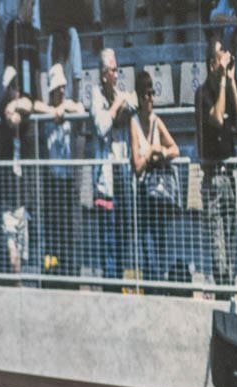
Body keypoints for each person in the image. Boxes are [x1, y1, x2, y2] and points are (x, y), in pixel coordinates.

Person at [195, 31, 237, 290]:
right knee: (218, 242)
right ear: (212, 63)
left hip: (229, 175)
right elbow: (216, 119)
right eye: (221, 57)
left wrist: (232, 83)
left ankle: (230, 289)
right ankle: (222, 290)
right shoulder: (203, 93)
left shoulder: (227, 90)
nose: (225, 61)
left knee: (232, 237)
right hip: (212, 176)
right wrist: (224, 86)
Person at [87, 47, 137, 285]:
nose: (117, 75)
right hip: (106, 177)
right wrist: (117, 105)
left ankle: (120, 282)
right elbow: (102, 125)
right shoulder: (97, 95)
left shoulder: (118, 92)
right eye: (113, 70)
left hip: (123, 173)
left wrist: (122, 103)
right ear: (104, 73)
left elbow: (133, 106)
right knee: (109, 241)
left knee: (123, 237)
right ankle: (111, 288)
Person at [130, 70, 183, 286]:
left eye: (152, 94)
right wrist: (150, 154)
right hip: (144, 194)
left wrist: (159, 150)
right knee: (148, 244)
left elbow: (176, 149)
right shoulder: (134, 123)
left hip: (159, 196)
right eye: (146, 95)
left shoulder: (156, 121)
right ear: (140, 97)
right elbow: (138, 165)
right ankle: (152, 287)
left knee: (160, 244)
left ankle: (160, 285)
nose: (150, 99)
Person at [0, 64, 39, 276]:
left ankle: (18, 281)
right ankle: (15, 282)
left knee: (22, 248)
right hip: (7, 189)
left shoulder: (19, 105)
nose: (18, 89)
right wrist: (14, 110)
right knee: (11, 245)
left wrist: (18, 107)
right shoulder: (1, 108)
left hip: (21, 191)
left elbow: (29, 104)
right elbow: (10, 118)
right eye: (14, 86)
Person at [41, 63, 84, 278]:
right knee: (53, 228)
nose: (62, 90)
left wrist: (64, 108)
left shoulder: (68, 107)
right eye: (58, 88)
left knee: (68, 229)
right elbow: (34, 106)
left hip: (66, 179)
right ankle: (52, 274)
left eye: (63, 87)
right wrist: (53, 111)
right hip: (52, 179)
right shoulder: (47, 110)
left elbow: (81, 109)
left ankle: (69, 272)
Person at [4, 0, 39, 105]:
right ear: (25, 2)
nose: (33, 10)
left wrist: (39, 98)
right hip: (17, 96)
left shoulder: (33, 32)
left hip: (31, 95)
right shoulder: (12, 28)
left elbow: (37, 69)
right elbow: (8, 65)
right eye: (32, 5)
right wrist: (11, 92)